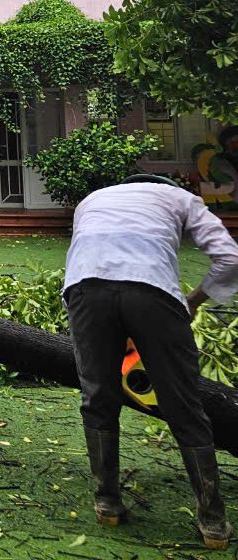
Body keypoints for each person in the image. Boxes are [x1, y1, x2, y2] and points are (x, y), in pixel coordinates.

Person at [64, 174, 237, 548]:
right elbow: (229, 257)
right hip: (152, 290)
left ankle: (107, 502)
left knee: (98, 396)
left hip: (84, 288)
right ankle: (213, 523)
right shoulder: (181, 198)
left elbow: (95, 254)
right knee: (184, 405)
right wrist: (194, 300)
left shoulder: (92, 198)